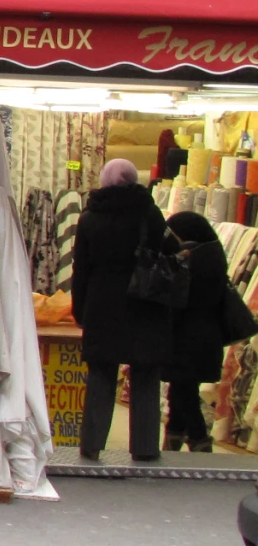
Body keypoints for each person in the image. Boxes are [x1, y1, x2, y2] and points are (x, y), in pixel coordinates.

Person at [70, 158, 172, 461]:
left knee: (101, 374)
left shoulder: (89, 219)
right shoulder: (150, 215)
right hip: (144, 303)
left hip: (103, 306)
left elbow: (82, 270)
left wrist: (80, 311)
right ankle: (144, 447)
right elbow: (167, 256)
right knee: (144, 377)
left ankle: (91, 445)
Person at [162, 209, 257, 453]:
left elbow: (182, 299)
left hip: (188, 336)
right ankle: (173, 436)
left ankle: (199, 439)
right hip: (205, 336)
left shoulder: (190, 260)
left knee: (184, 390)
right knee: (182, 386)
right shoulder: (213, 255)